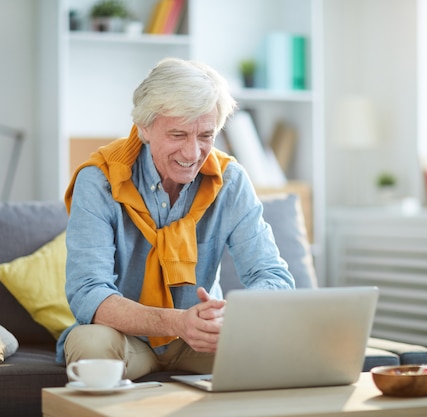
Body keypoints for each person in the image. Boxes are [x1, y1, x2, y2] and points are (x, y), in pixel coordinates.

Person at [57, 57, 295, 380]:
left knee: (284, 345)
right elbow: (89, 294)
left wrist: (230, 317)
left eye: (205, 136)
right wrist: (176, 322)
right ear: (144, 127)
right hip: (128, 340)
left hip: (202, 342)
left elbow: (274, 278)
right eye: (179, 134)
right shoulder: (98, 180)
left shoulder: (230, 180)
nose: (193, 153)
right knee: (90, 345)